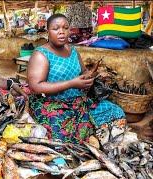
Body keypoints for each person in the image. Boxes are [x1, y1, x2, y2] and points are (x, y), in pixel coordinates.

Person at [27, 14, 126, 145]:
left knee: (115, 112)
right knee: (61, 137)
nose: (61, 32)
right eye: (56, 28)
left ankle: (103, 142)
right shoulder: (41, 54)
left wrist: (88, 79)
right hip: (52, 104)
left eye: (65, 28)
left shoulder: (73, 50)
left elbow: (83, 72)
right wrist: (71, 83)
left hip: (79, 101)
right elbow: (35, 87)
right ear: (47, 32)